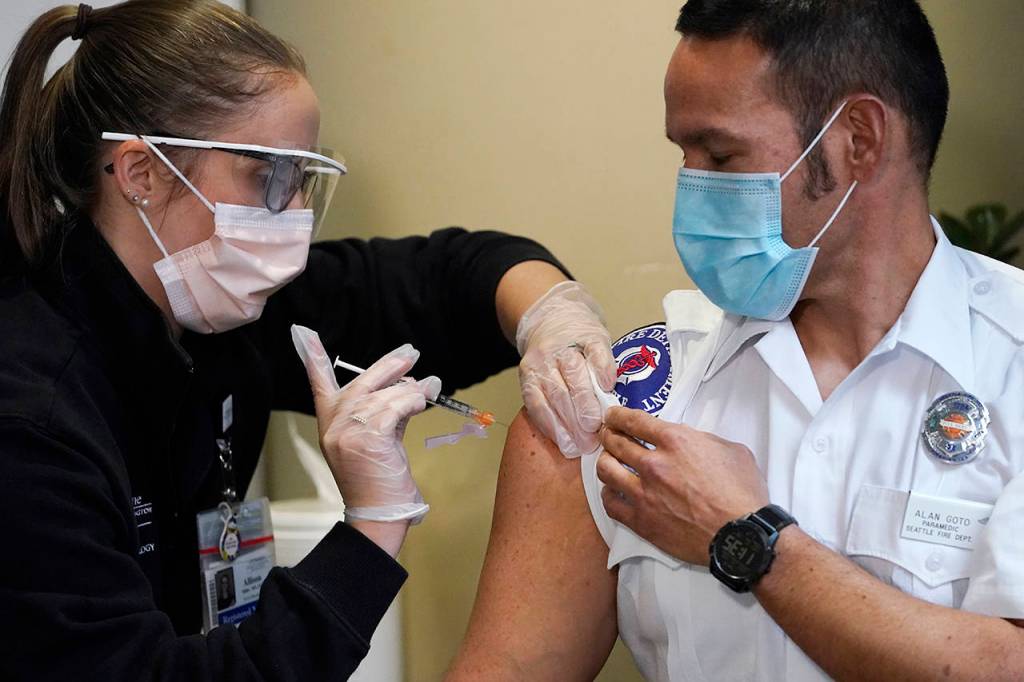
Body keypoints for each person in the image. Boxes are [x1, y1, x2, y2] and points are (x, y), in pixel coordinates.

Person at [0, 1, 614, 679]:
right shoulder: (30, 414)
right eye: (267, 178)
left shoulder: (217, 304)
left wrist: (552, 318)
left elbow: (455, 277)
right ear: (142, 174)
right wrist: (374, 524)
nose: (293, 217)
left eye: (302, 179)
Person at [449, 1, 1024, 680]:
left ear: (860, 138)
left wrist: (747, 537)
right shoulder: (627, 394)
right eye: (684, 156)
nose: (692, 189)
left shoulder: (1010, 363)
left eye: (721, 154)